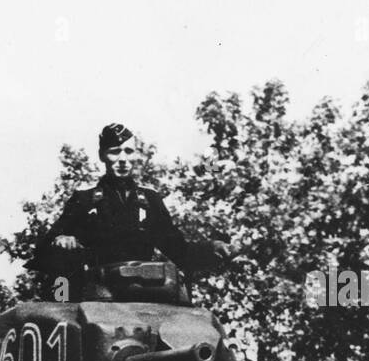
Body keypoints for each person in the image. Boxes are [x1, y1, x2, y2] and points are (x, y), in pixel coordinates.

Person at [29, 122, 229, 291]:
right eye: (115, 152)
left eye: (129, 151)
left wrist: (213, 248)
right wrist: (61, 240)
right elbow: (43, 252)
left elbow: (179, 251)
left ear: (136, 155)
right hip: (95, 294)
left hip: (142, 295)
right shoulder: (85, 200)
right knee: (61, 303)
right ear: (102, 156)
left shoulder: (150, 201)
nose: (123, 159)